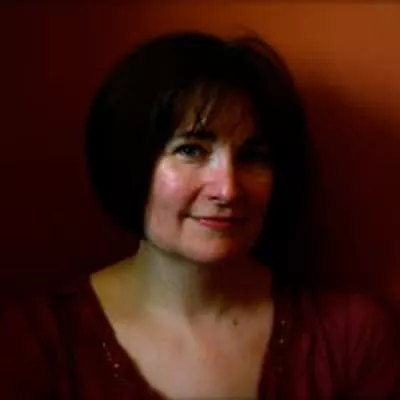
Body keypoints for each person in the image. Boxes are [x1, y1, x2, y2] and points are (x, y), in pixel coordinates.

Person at [1, 31, 398, 399]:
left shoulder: (351, 339)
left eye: (253, 156)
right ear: (128, 161)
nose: (228, 189)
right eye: (191, 150)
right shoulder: (35, 345)